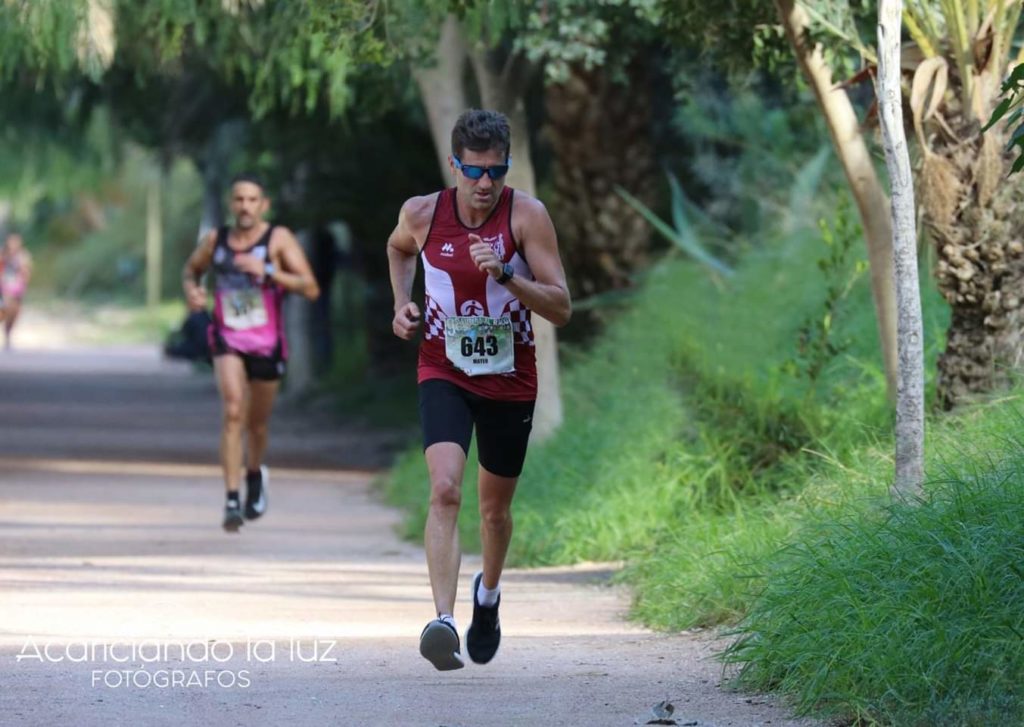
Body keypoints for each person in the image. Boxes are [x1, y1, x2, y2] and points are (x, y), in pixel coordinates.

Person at [387, 109, 572, 670]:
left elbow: (561, 306)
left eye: (496, 171)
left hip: (509, 378)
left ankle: (486, 596)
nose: (485, 183)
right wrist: (402, 303)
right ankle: (442, 621)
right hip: (442, 367)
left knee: (494, 512)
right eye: (474, 171)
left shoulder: (526, 217)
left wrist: (507, 275)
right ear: (455, 165)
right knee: (444, 488)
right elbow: (398, 250)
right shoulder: (422, 214)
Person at [182, 173, 319, 532]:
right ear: (231, 204)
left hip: (267, 343)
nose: (245, 206)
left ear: (264, 205)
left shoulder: (278, 239)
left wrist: (270, 270)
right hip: (227, 337)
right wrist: (192, 291)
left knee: (257, 424)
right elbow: (191, 271)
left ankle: (255, 475)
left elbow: (311, 287)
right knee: (232, 411)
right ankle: (231, 498)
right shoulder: (217, 241)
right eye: (239, 199)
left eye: (252, 199)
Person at [0, 231, 33, 350]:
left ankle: (8, 333)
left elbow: (27, 272)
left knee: (14, 313)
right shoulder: (2, 255)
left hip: (17, 288)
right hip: (4, 287)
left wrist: (24, 279)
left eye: (16, 241)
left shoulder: (23, 256)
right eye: (11, 241)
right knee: (6, 309)